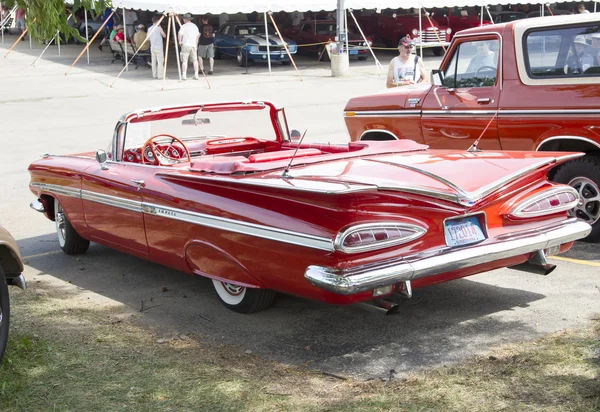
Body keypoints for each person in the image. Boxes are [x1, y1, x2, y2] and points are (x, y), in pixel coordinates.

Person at [178, 13, 200, 80]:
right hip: (193, 45)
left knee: (185, 61)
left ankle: (184, 75)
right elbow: (197, 36)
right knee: (195, 60)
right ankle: (196, 74)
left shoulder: (183, 26)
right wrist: (196, 44)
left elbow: (179, 35)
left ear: (185, 19)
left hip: (186, 45)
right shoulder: (195, 26)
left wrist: (180, 42)